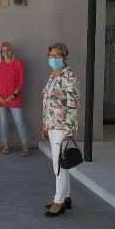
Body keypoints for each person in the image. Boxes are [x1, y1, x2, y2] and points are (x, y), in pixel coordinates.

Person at [42, 42, 80, 217]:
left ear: (65, 57)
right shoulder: (53, 75)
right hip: (52, 125)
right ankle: (66, 196)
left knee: (58, 165)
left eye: (57, 55)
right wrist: (45, 124)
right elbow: (48, 102)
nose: (53, 58)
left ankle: (58, 201)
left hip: (62, 127)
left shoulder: (69, 76)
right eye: (51, 55)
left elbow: (73, 104)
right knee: (62, 163)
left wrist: (70, 130)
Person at [0, 41, 29, 156]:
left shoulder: (18, 64)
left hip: (14, 98)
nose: (5, 53)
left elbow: (21, 82)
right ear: (1, 53)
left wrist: (13, 95)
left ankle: (25, 146)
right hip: (0, 98)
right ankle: (6, 145)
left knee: (19, 122)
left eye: (7, 50)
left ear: (11, 51)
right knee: (4, 122)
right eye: (3, 51)